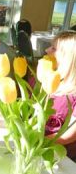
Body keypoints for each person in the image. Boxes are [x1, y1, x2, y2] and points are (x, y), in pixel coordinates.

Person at [44, 31, 76, 159]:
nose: (47, 50)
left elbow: (70, 136)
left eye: (54, 49)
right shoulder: (53, 81)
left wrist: (39, 141)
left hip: (63, 156)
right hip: (40, 147)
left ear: (67, 58)